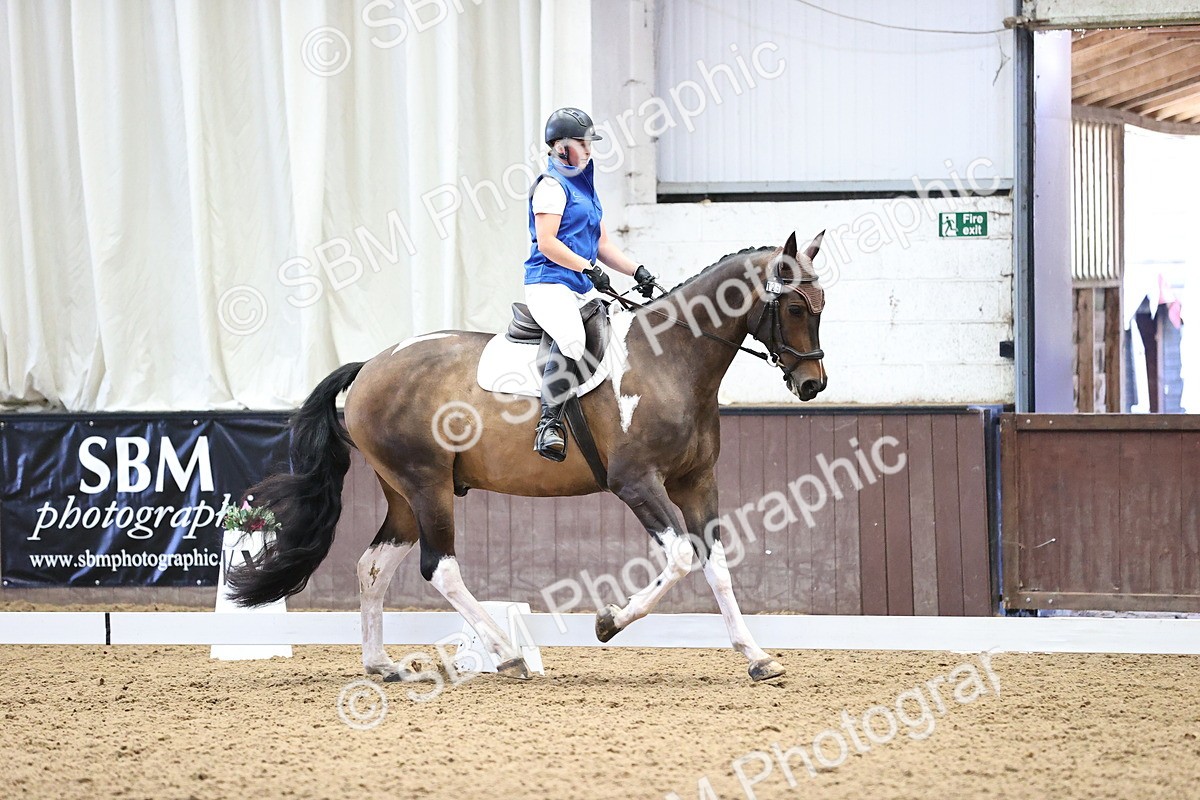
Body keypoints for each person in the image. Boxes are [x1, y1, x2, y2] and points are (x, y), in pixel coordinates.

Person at [525, 107, 657, 462]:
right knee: (572, 339)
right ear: (563, 147)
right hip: (549, 284)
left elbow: (603, 245)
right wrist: (589, 269)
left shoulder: (584, 188)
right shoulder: (551, 187)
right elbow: (548, 242)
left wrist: (636, 270)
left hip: (579, 286)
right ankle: (548, 424)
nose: (589, 150)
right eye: (583, 143)